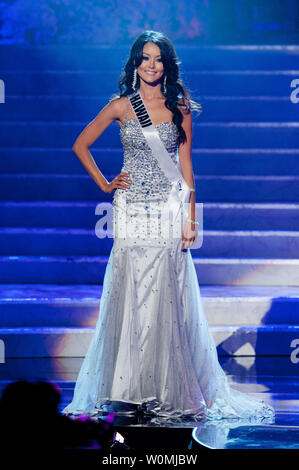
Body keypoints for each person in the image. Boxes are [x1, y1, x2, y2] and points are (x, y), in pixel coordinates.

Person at [62, 30, 275, 421]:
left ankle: (163, 386)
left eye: (158, 58)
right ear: (135, 63)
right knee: (129, 291)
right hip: (129, 210)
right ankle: (125, 388)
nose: (151, 65)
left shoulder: (181, 108)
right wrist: (106, 183)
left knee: (164, 294)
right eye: (145, 58)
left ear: (167, 65)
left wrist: (192, 217)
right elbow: (81, 144)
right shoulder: (121, 106)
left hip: (167, 208)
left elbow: (187, 163)